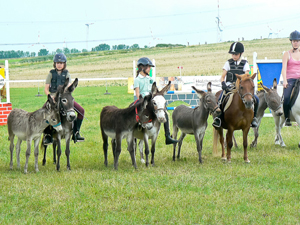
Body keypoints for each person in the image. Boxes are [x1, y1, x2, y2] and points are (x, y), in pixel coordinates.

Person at [212, 42, 259, 128]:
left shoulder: (245, 63)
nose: (234, 56)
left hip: (241, 86)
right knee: (220, 98)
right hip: (229, 85)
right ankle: (218, 118)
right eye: (232, 54)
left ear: (241, 54)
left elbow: (246, 76)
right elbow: (223, 76)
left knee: (256, 99)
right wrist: (223, 84)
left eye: (236, 54)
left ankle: (254, 118)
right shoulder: (228, 63)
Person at [134, 57, 177, 145]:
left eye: (150, 67)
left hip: (152, 100)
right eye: (148, 67)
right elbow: (138, 94)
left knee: (164, 112)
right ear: (142, 67)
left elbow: (155, 91)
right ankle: (133, 134)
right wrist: (143, 102)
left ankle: (167, 136)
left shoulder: (151, 79)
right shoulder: (137, 80)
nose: (150, 69)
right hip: (143, 101)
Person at [43, 53, 85, 144]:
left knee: (81, 111)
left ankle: (76, 132)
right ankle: (48, 135)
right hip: (53, 98)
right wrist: (50, 97)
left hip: (64, 97)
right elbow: (46, 89)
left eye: (61, 63)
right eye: (57, 63)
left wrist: (67, 93)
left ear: (64, 64)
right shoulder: (51, 73)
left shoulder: (67, 73)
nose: (59, 64)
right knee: (44, 112)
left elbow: (69, 85)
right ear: (54, 63)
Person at [282, 30, 300, 126]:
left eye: (297, 41)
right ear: (291, 42)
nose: (295, 43)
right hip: (291, 79)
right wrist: (285, 81)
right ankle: (287, 118)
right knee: (287, 97)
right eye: (294, 41)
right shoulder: (287, 54)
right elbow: (284, 68)